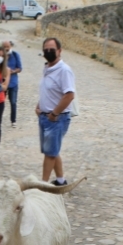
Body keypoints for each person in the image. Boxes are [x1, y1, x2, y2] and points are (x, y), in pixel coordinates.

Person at [35, 37, 75, 184]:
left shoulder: (64, 70)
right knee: (52, 150)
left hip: (56, 118)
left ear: (59, 51)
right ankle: (60, 180)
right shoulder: (47, 68)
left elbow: (69, 95)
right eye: (46, 49)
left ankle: (43, 185)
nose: (49, 52)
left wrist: (54, 113)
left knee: (50, 153)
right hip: (45, 116)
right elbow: (50, 90)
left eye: (52, 49)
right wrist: (39, 105)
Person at [2, 40, 21, 128]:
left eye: (7, 47)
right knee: (0, 102)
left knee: (13, 102)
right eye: (4, 47)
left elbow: (20, 68)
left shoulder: (16, 55)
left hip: (13, 82)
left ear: (10, 47)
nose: (6, 48)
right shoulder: (1, 55)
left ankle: (13, 120)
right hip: (2, 83)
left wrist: (12, 71)